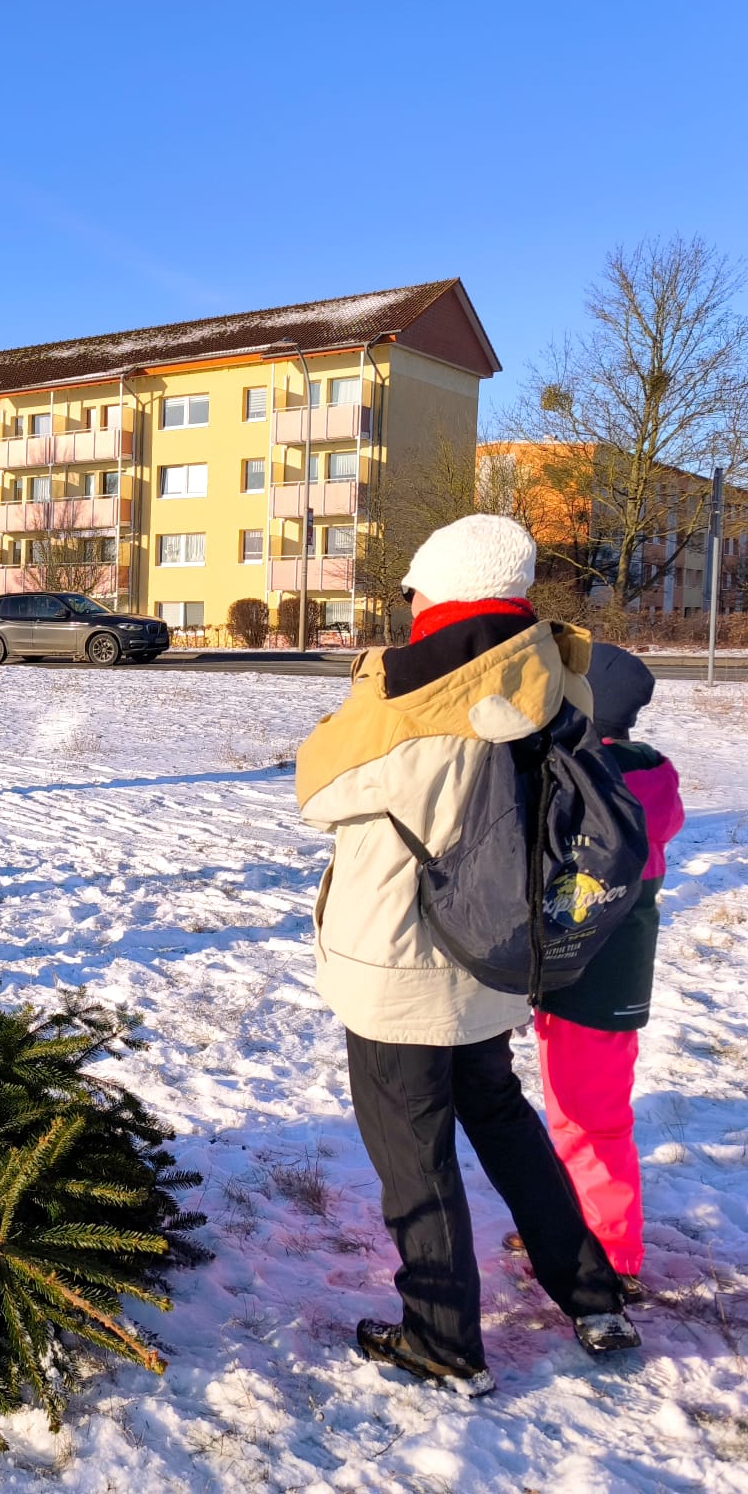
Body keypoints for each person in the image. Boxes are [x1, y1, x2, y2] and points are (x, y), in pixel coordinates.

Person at [295, 514, 637, 1397]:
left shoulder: (415, 695)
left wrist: (369, 687)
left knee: (415, 1153)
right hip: (495, 955)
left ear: (439, 591)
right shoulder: (556, 678)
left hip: (401, 964)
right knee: (502, 1118)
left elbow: (317, 787)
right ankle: (593, 1297)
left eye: (415, 588)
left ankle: (442, 1339)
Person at [525, 643, 684, 1293]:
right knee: (573, 1112)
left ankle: (613, 1255)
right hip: (607, 982)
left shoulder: (593, 783)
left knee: (591, 1121)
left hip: (590, 982)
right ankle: (575, 1224)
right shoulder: (648, 775)